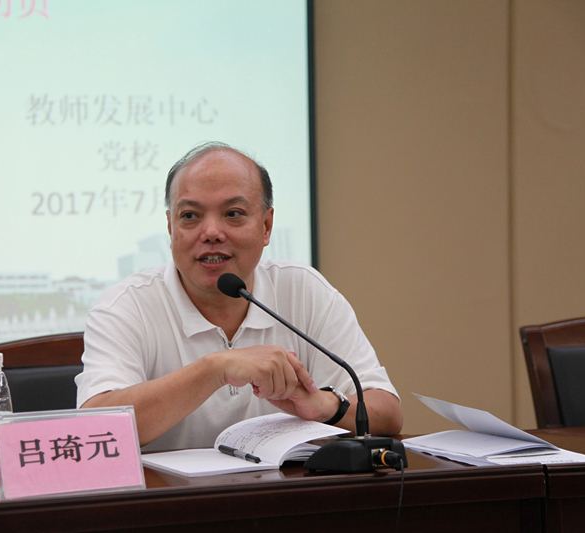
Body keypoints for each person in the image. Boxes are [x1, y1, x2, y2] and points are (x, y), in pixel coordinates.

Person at [76, 142, 402, 451]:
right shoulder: (126, 306)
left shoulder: (303, 290)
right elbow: (93, 429)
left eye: (233, 213)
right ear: (171, 228)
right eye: (189, 216)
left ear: (266, 226)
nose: (211, 232)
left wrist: (323, 405)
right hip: (166, 494)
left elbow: (386, 412)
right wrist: (215, 368)